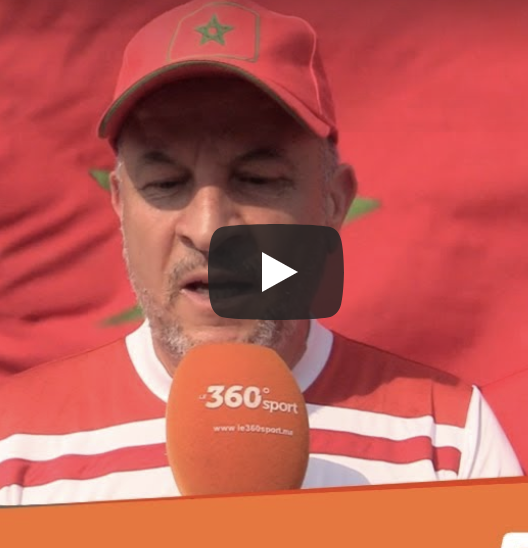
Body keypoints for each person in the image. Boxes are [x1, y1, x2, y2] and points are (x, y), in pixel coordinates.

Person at [0, 0, 522, 506]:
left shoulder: (447, 442)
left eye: (257, 180)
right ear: (119, 203)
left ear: (333, 202)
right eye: (166, 183)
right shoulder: (14, 444)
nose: (208, 230)